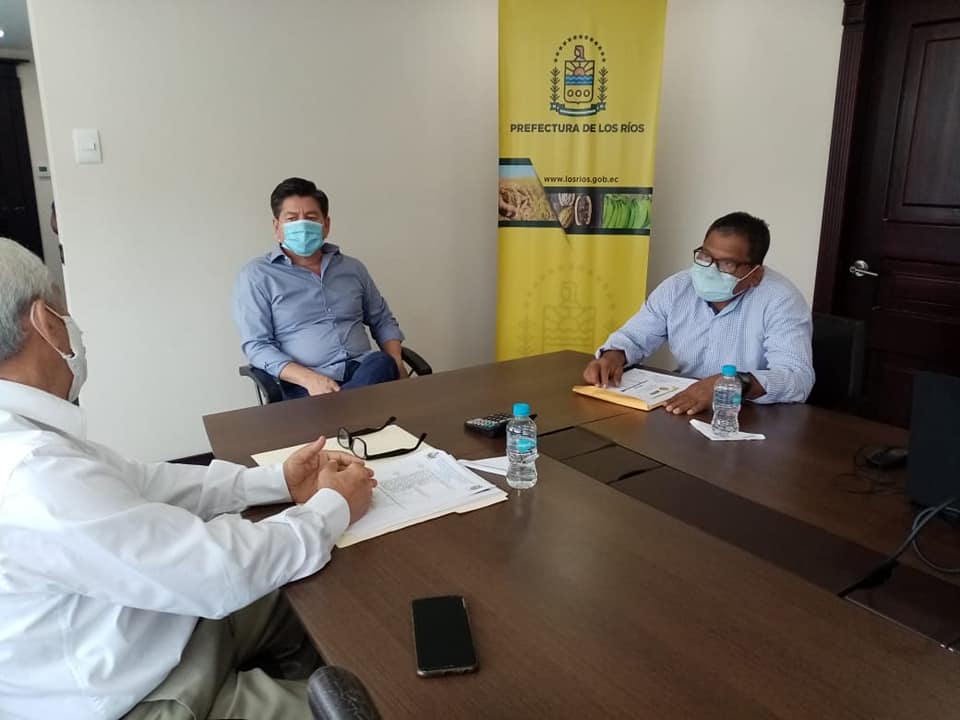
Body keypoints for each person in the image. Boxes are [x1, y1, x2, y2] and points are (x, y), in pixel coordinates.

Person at [0, 237, 377, 719]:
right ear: (47, 322)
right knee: (381, 707)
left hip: (164, 620)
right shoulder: (32, 474)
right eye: (65, 310)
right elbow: (217, 571)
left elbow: (141, 482)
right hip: (141, 694)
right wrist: (331, 506)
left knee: (324, 594)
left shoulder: (31, 436)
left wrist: (276, 482)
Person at [583, 211, 814, 414]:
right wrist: (612, 356)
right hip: (684, 406)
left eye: (726, 264)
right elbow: (634, 336)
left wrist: (732, 383)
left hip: (747, 417)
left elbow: (797, 378)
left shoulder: (781, 300)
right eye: (705, 256)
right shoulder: (678, 287)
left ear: (755, 274)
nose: (710, 270)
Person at [233, 177, 407, 400]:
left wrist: (398, 364)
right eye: (292, 219)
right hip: (304, 383)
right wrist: (310, 379)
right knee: (372, 397)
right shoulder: (257, 275)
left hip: (363, 372)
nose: (302, 225)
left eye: (311, 217)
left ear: (326, 225)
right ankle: (350, 412)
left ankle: (340, 412)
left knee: (383, 362)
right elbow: (257, 346)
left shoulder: (352, 268)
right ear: (277, 227)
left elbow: (382, 320)